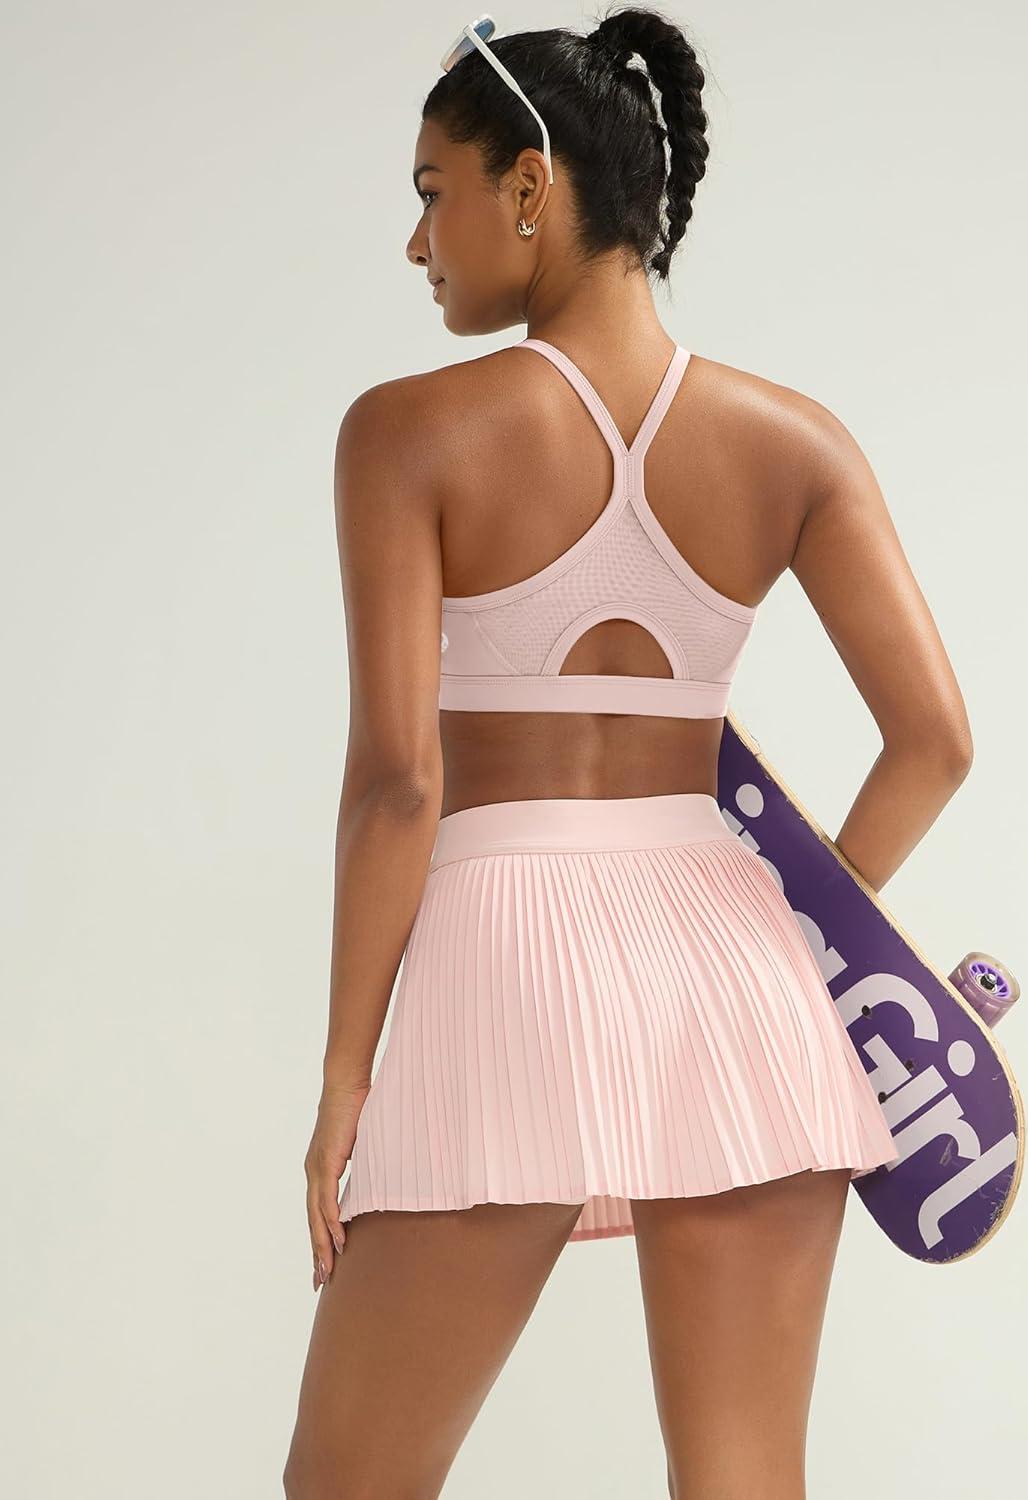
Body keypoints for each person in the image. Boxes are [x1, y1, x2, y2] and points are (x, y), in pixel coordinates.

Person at [283, 9, 972, 1498]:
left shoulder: (406, 434)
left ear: (530, 185)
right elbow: (934, 742)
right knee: (744, 1480)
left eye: (433, 192)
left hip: (504, 958)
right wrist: (818, 929)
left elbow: (400, 783)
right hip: (740, 966)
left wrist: (345, 1077)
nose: (417, 241)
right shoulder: (796, 442)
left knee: (348, 1482)